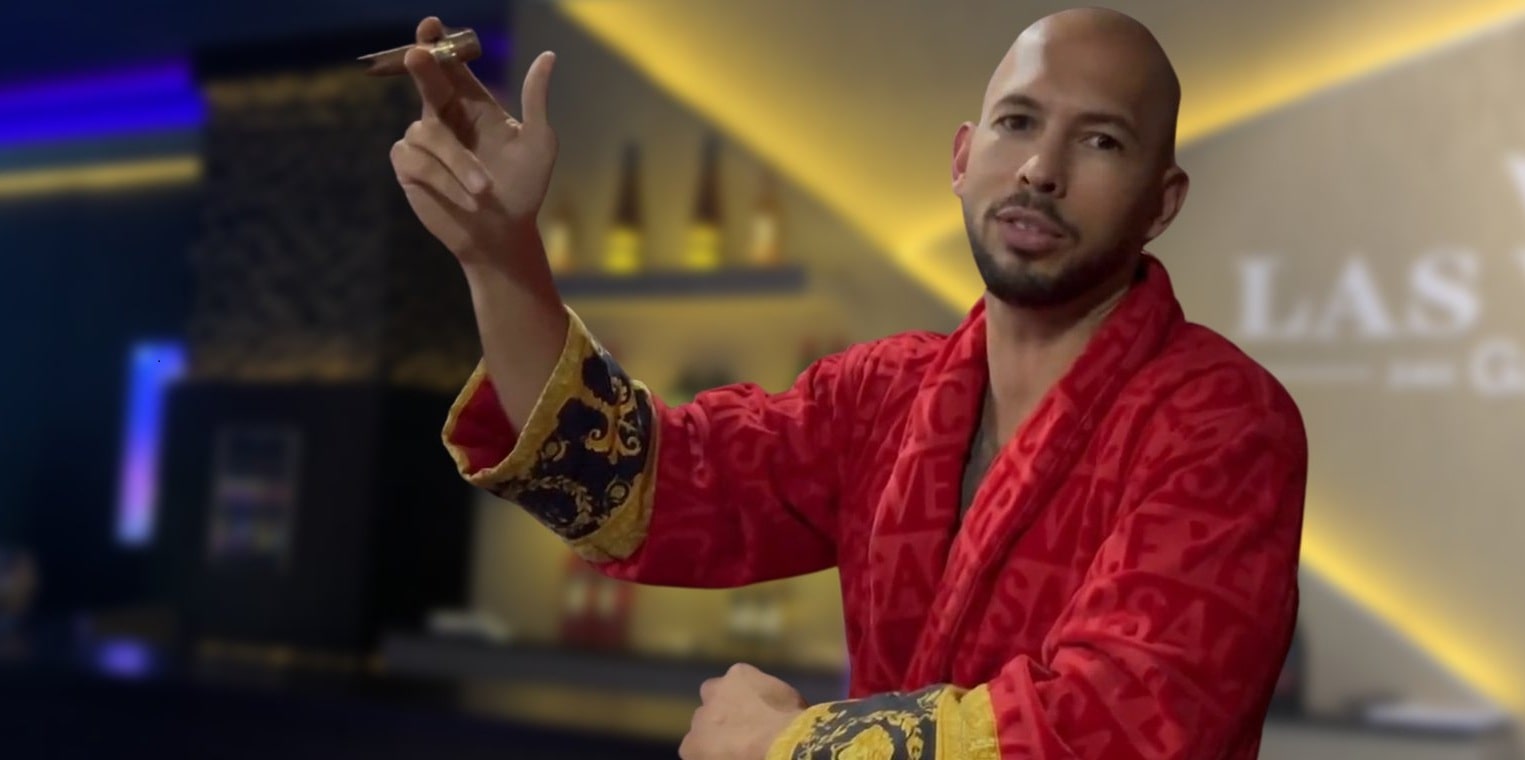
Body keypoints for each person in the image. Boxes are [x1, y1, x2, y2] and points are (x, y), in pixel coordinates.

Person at [396, 8, 1307, 759]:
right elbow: (639, 485)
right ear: (962, 158)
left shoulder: (1224, 421)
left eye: (1101, 140)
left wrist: (787, 745)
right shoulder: (882, 395)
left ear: (1163, 201)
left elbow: (1133, 723)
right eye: (1017, 123)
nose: (1041, 169)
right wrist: (502, 257)